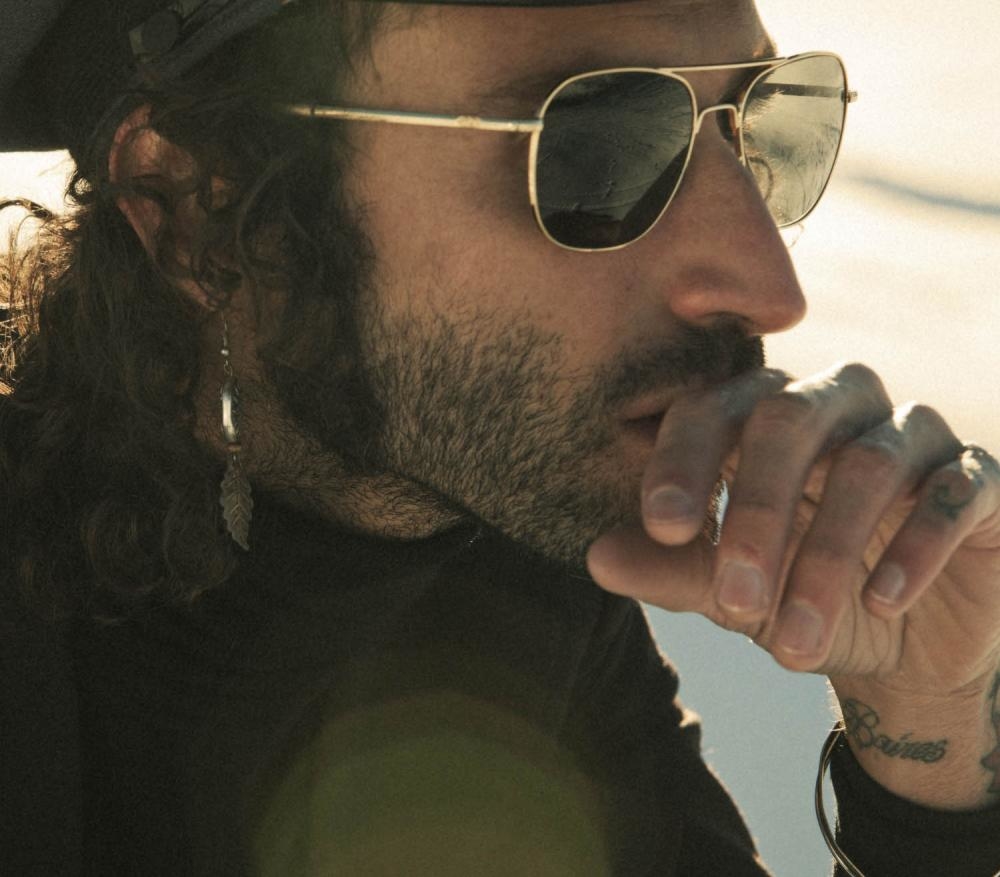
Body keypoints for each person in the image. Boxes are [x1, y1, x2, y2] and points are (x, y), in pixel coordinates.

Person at [1, 0, 999, 874]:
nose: (771, 289)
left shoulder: (520, 571)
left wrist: (928, 738)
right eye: (598, 149)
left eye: (764, 128)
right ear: (199, 210)